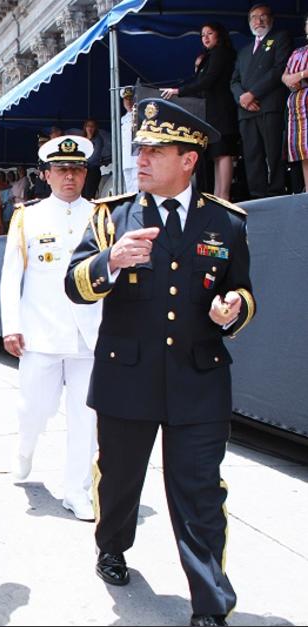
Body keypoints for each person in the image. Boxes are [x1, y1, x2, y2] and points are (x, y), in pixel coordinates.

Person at [65, 98, 255, 627]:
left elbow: (242, 292)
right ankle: (112, 544)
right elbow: (75, 285)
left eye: (155, 151)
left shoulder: (227, 222)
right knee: (120, 480)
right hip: (127, 375)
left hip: (198, 378)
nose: (141, 160)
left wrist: (232, 308)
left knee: (198, 489)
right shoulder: (112, 217)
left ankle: (209, 602)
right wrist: (110, 261)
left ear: (189, 160)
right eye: (139, 149)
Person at [0, 136, 102, 521]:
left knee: (85, 416)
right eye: (61, 169)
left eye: (76, 169)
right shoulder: (28, 216)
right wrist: (11, 325)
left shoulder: (101, 215)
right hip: (40, 332)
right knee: (34, 409)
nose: (70, 176)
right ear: (46, 174)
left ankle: (76, 489)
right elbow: (12, 276)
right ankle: (25, 448)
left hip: (88, 335)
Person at [161, 22, 240, 200]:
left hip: (222, 109)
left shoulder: (221, 54)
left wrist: (179, 91)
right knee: (218, 154)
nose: (205, 37)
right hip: (211, 111)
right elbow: (198, 82)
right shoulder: (209, 56)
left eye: (209, 33)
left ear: (219, 35)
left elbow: (207, 81)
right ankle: (218, 196)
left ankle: (223, 195)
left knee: (224, 152)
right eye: (202, 35)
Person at [230, 3, 293, 198]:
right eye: (254, 17)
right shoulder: (244, 51)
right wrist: (242, 98)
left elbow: (278, 69)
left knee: (273, 152)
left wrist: (253, 94)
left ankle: (276, 191)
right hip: (246, 110)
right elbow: (234, 80)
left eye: (263, 16)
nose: (259, 20)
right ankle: (257, 194)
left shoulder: (280, 38)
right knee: (251, 155)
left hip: (269, 106)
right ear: (249, 22)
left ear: (271, 19)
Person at [282, 14, 308, 192]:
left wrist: (299, 75)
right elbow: (284, 76)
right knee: (305, 150)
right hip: (299, 105)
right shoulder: (298, 52)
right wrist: (292, 78)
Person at [119, 87, 139, 193]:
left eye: (131, 99)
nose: (129, 102)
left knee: (137, 187)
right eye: (126, 100)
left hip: (136, 157)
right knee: (129, 188)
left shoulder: (139, 116)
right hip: (126, 158)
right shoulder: (123, 118)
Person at [82, 118, 106, 199]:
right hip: (82, 170)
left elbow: (95, 156)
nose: (90, 128)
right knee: (82, 194)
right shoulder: (82, 139)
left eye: (92, 126)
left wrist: (83, 162)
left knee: (89, 195)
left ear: (95, 128)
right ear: (85, 127)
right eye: (88, 126)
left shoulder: (98, 140)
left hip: (92, 170)